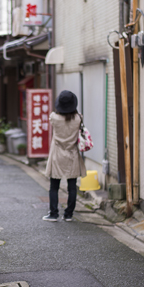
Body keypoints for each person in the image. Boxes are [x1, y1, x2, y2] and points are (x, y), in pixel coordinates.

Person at [43, 90, 86, 222]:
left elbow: (54, 115)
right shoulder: (79, 118)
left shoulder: (54, 118)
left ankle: (54, 214)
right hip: (72, 154)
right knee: (72, 187)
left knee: (54, 186)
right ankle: (68, 214)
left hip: (57, 155)